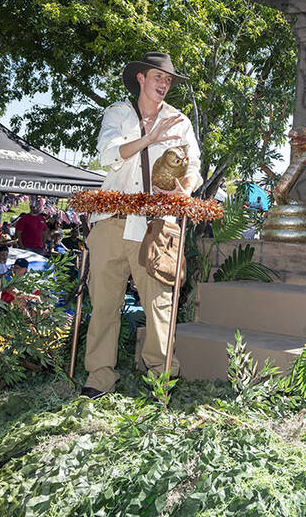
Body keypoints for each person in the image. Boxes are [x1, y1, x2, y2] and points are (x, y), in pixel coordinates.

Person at [82, 51, 202, 398]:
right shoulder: (118, 113)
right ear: (140, 78)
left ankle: (161, 380)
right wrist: (149, 138)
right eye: (158, 77)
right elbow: (108, 153)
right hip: (109, 222)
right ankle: (99, 377)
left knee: (159, 305)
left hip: (156, 225)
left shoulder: (179, 121)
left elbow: (193, 164)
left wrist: (187, 187)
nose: (164, 84)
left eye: (168, 80)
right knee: (104, 304)